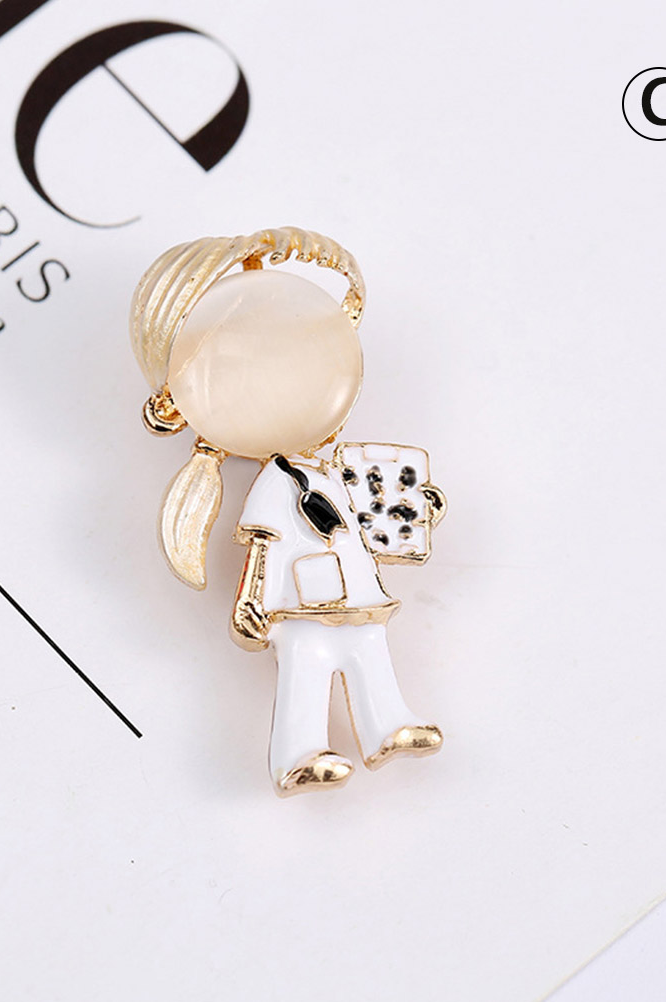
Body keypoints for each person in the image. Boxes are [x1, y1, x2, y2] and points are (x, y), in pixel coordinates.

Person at [130, 227, 446, 797]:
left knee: (368, 649)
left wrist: (419, 511)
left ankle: (388, 726)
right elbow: (264, 541)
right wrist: (251, 601)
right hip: (299, 597)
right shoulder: (276, 481)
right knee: (307, 665)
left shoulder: (332, 470)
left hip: (356, 589)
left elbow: (370, 519)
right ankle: (297, 756)